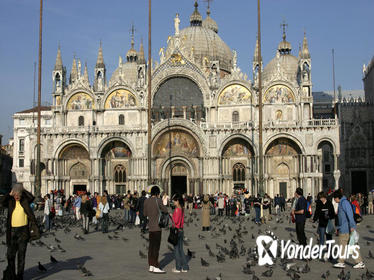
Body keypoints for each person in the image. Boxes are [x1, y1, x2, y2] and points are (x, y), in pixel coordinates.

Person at [0, 183, 40, 280]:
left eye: (19, 194)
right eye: (16, 195)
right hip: (12, 231)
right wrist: (9, 194)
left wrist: (22, 190)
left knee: (21, 256)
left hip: (23, 232)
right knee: (10, 255)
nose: (17, 196)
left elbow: (32, 197)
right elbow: (2, 202)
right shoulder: (10, 202)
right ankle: (12, 274)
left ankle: (20, 276)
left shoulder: (25, 201)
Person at [333, 190, 365, 269]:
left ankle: (358, 262)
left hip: (346, 228)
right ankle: (343, 261)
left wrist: (352, 226)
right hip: (343, 227)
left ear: (337, 197)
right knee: (347, 245)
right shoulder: (342, 203)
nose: (334, 200)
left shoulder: (344, 203)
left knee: (349, 245)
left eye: (334, 198)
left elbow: (350, 215)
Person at [144, 186, 168, 274]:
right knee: (156, 248)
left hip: (150, 227)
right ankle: (156, 266)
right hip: (157, 228)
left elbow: (145, 213)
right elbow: (165, 210)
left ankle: (151, 265)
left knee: (151, 247)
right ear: (157, 193)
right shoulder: (158, 201)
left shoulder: (146, 201)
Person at [313, 192, 335, 260]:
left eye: (321, 198)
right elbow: (317, 212)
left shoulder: (329, 203)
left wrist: (329, 216)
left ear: (324, 197)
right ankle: (320, 253)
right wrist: (314, 219)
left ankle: (330, 254)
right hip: (322, 223)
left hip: (328, 223)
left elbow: (332, 213)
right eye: (320, 198)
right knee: (321, 239)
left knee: (329, 239)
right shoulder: (319, 203)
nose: (321, 199)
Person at [171, 194, 189, 273]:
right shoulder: (182, 208)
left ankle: (178, 268)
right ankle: (185, 267)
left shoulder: (177, 209)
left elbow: (176, 222)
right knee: (181, 249)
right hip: (181, 230)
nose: (173, 202)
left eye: (174, 201)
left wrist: (171, 216)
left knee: (176, 250)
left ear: (177, 201)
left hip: (176, 231)